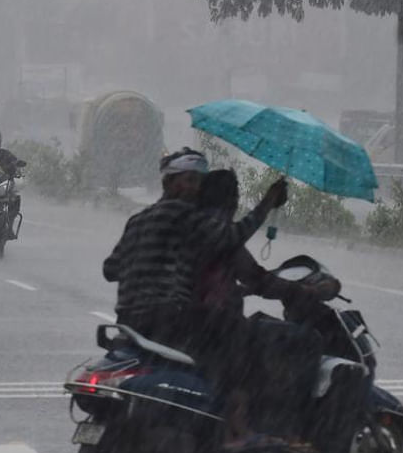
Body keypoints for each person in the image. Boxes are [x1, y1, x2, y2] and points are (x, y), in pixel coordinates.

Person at [102, 149, 287, 388]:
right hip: (168, 317)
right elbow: (233, 236)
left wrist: (147, 260)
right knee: (235, 351)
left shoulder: (138, 220)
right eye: (189, 180)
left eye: (199, 181)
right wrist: (268, 202)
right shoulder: (183, 213)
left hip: (127, 318)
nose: (195, 187)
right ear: (169, 181)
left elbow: (110, 269)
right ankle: (234, 415)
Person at [193, 170, 335, 452]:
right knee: (303, 342)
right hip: (216, 322)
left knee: (262, 332)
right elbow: (257, 278)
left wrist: (242, 288)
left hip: (194, 321)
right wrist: (303, 292)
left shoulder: (194, 224)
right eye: (234, 193)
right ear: (230, 199)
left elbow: (233, 276)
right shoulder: (218, 230)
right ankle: (291, 428)